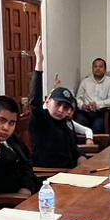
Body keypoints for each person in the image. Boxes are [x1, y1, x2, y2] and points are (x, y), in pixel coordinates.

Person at [28, 35, 87, 168]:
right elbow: (34, 100)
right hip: (50, 175)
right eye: (58, 104)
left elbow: (73, 147)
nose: (61, 110)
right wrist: (39, 63)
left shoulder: (67, 122)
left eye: (66, 107)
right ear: (47, 101)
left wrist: (81, 158)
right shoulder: (41, 118)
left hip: (72, 173)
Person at [74, 57, 110, 134]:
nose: (98, 69)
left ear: (105, 69)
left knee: (97, 127)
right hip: (85, 112)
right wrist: (83, 106)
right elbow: (78, 99)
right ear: (92, 68)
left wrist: (97, 104)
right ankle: (81, 145)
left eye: (100, 67)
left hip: (101, 113)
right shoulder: (85, 81)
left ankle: (93, 145)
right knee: (78, 124)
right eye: (95, 66)